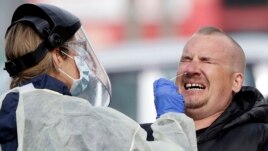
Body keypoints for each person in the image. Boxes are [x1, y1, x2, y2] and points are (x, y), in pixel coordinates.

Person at [0, 3, 197, 151]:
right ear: (58, 56)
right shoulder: (78, 119)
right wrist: (173, 120)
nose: (78, 58)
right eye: (75, 50)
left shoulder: (7, 109)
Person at [141, 26, 268, 151]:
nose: (191, 70)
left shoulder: (259, 138)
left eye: (206, 61)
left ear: (235, 82)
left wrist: (170, 133)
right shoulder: (140, 138)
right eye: (186, 59)